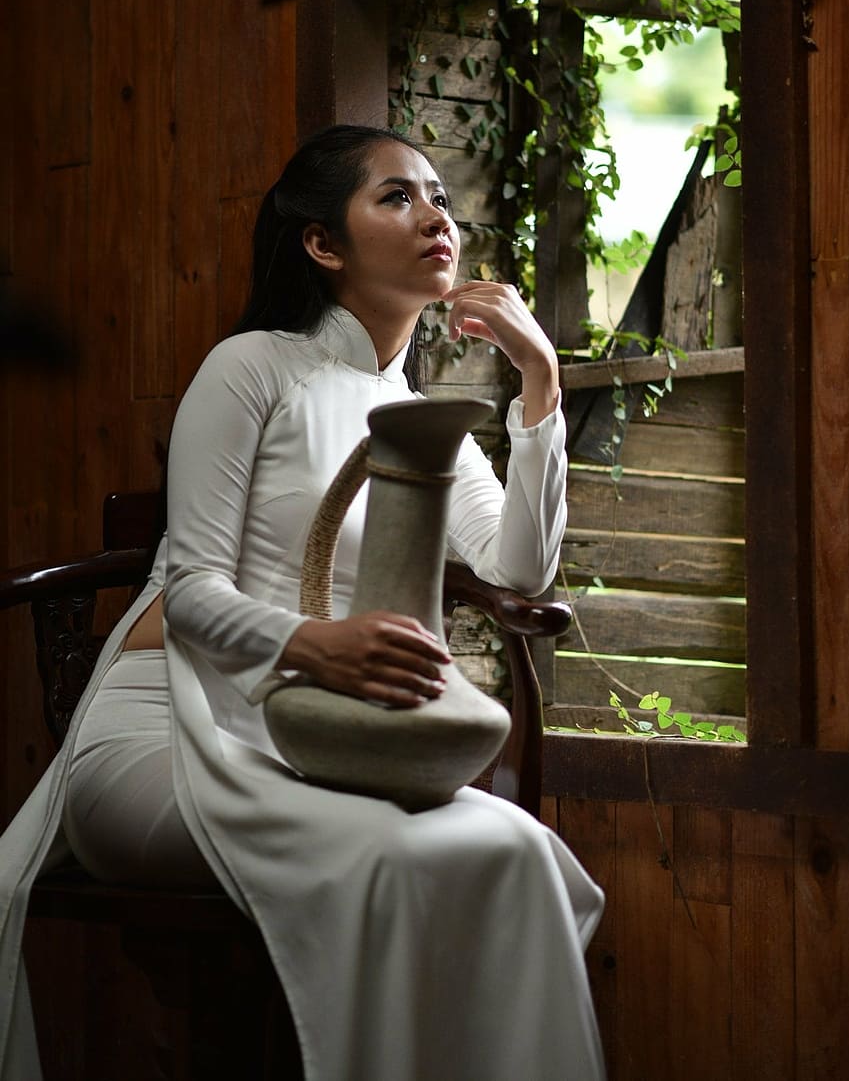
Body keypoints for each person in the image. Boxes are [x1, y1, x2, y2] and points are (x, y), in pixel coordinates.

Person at [0, 125, 606, 1081]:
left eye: (441, 196)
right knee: (387, 860)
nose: (435, 215)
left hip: (311, 741)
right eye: (397, 196)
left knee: (517, 852)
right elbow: (190, 591)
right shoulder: (251, 370)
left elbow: (519, 569)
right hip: (160, 730)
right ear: (324, 243)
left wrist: (541, 382)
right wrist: (315, 646)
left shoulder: (417, 415)